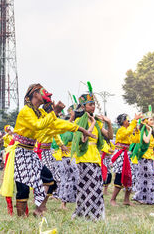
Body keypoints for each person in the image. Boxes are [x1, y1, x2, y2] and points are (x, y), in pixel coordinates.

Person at [8, 84, 94, 217]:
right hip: (20, 152)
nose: (48, 94)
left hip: (30, 153)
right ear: (35, 93)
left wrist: (80, 129)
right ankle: (21, 219)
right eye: (44, 91)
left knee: (49, 180)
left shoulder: (40, 112)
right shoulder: (26, 111)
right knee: (23, 188)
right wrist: (54, 112)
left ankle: (39, 209)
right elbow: (38, 126)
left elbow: (56, 124)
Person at [72, 92, 114, 220]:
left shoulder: (97, 123)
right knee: (86, 190)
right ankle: (86, 215)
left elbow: (109, 136)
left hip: (95, 159)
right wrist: (91, 123)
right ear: (83, 107)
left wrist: (109, 123)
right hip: (83, 160)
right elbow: (83, 139)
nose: (93, 107)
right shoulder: (79, 121)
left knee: (96, 189)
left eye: (94, 104)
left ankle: (93, 215)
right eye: (90, 105)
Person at [110, 113, 143, 206]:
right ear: (123, 121)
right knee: (119, 176)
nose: (129, 121)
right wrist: (134, 121)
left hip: (127, 155)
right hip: (121, 154)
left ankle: (126, 200)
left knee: (130, 176)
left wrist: (136, 131)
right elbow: (127, 132)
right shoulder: (121, 130)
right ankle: (112, 199)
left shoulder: (129, 129)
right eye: (128, 120)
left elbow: (136, 140)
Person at [132, 111, 154, 205]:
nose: (152, 121)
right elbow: (146, 140)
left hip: (150, 156)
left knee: (150, 177)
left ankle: (148, 198)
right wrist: (151, 130)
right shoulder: (142, 131)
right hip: (144, 156)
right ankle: (141, 197)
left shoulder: (151, 132)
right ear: (145, 121)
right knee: (149, 176)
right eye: (150, 119)